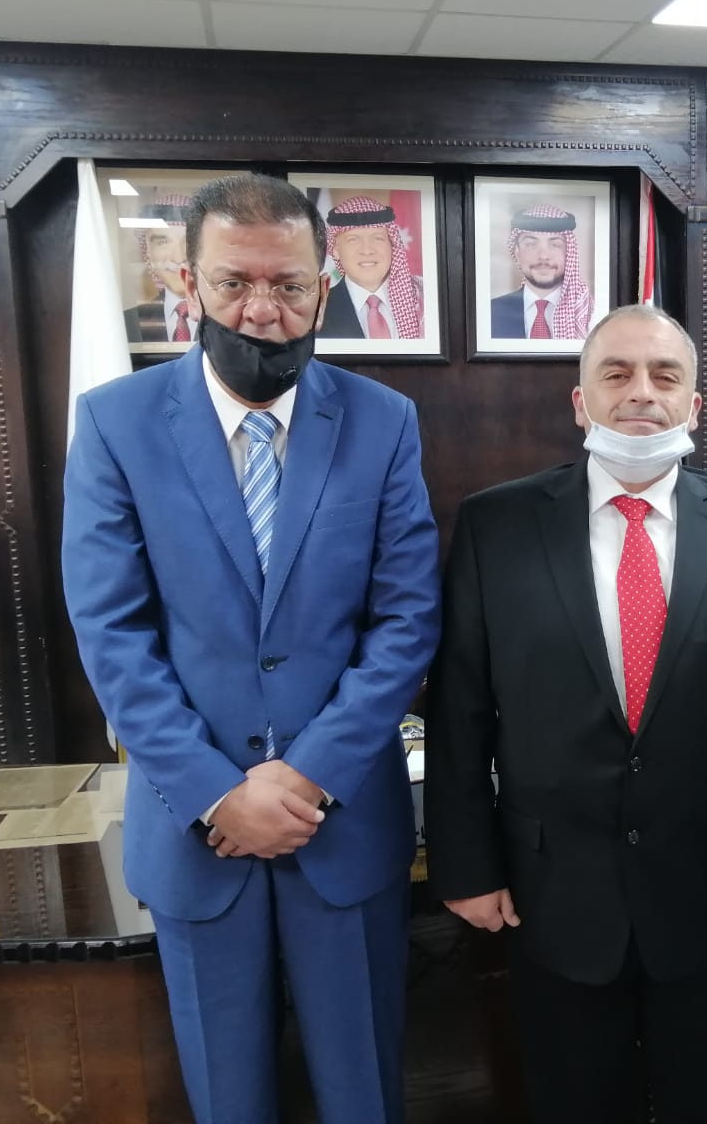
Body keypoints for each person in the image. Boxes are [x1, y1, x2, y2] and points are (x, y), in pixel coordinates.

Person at [63, 173, 440, 1124]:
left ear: (324, 288)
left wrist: (306, 778)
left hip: (339, 823)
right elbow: (112, 631)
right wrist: (216, 792)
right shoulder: (115, 422)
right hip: (196, 828)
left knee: (363, 1093)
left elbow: (405, 621)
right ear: (189, 284)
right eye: (234, 283)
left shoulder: (383, 421)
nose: (262, 312)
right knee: (227, 1099)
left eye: (289, 285)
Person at [424, 305, 707, 1124]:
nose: (640, 391)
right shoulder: (498, 525)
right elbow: (459, 708)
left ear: (694, 405)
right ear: (580, 403)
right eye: (615, 373)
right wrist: (464, 865)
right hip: (551, 890)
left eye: (663, 375)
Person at [319, 196, 425, 340]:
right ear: (335, 250)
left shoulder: (424, 297)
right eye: (353, 239)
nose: (367, 250)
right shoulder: (316, 309)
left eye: (378, 238)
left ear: (392, 244)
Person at [489, 203, 593, 341]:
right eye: (531, 244)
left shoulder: (590, 313)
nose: (543, 256)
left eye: (555, 245)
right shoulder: (491, 312)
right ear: (517, 254)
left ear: (569, 253)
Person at [123, 194, 192, 343]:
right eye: (162, 242)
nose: (179, 257)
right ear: (147, 252)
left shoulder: (227, 317)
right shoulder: (126, 322)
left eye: (189, 242)